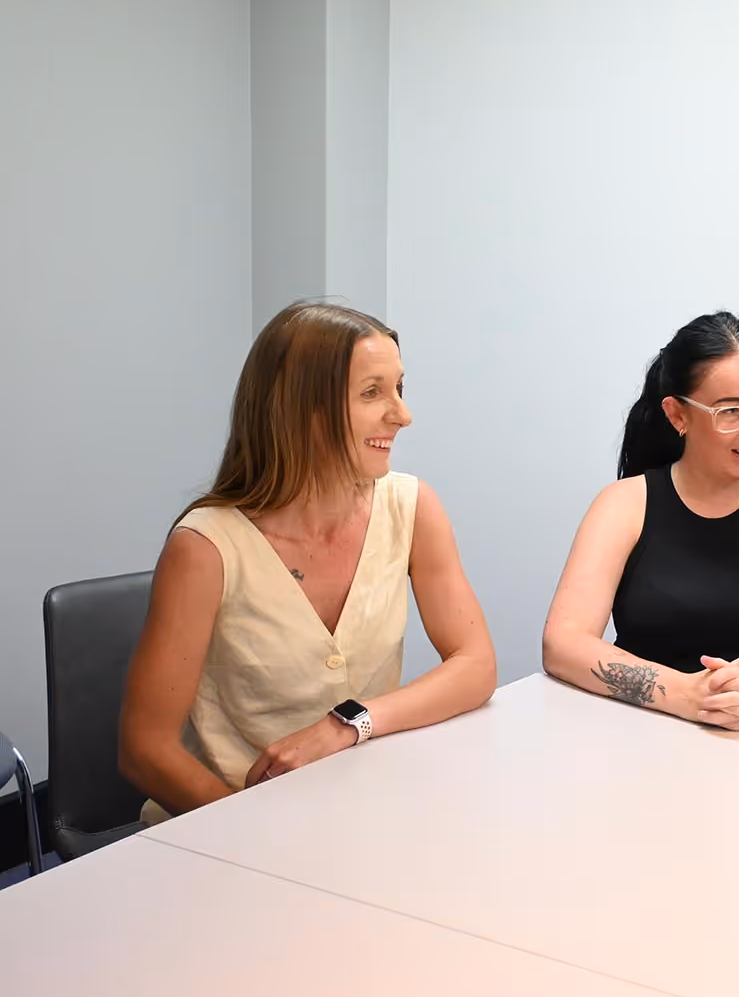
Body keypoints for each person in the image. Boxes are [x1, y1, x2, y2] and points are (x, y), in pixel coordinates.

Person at [120, 302, 498, 821]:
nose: (402, 415)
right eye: (372, 393)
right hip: (227, 824)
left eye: (399, 389)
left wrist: (347, 723)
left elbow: (476, 665)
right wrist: (253, 841)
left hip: (358, 811)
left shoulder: (411, 507)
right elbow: (145, 750)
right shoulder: (205, 547)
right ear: (303, 411)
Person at [542, 311, 739, 737]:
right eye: (730, 412)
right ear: (678, 415)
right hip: (655, 731)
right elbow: (563, 642)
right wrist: (685, 695)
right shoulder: (623, 505)